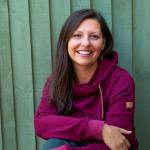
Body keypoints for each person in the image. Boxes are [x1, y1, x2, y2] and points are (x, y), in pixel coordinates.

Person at [34, 9, 138, 150]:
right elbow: (41, 123)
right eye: (77, 35)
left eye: (94, 37)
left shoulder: (120, 80)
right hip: (71, 144)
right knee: (53, 144)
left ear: (104, 43)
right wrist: (98, 129)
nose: (85, 43)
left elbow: (119, 141)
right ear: (66, 41)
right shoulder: (56, 81)